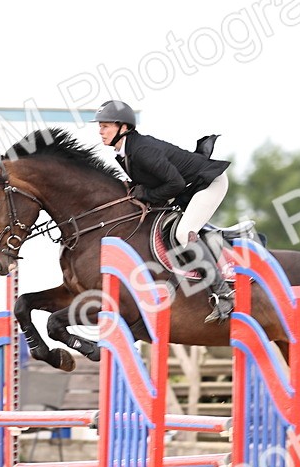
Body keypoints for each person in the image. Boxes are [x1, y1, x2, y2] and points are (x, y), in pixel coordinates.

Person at [94, 99, 234, 323]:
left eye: (105, 126)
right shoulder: (125, 152)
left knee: (183, 233)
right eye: (100, 126)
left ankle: (224, 294)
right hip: (188, 187)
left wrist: (146, 194)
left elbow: (176, 184)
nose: (100, 131)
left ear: (123, 127)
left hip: (209, 183)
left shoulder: (141, 150)